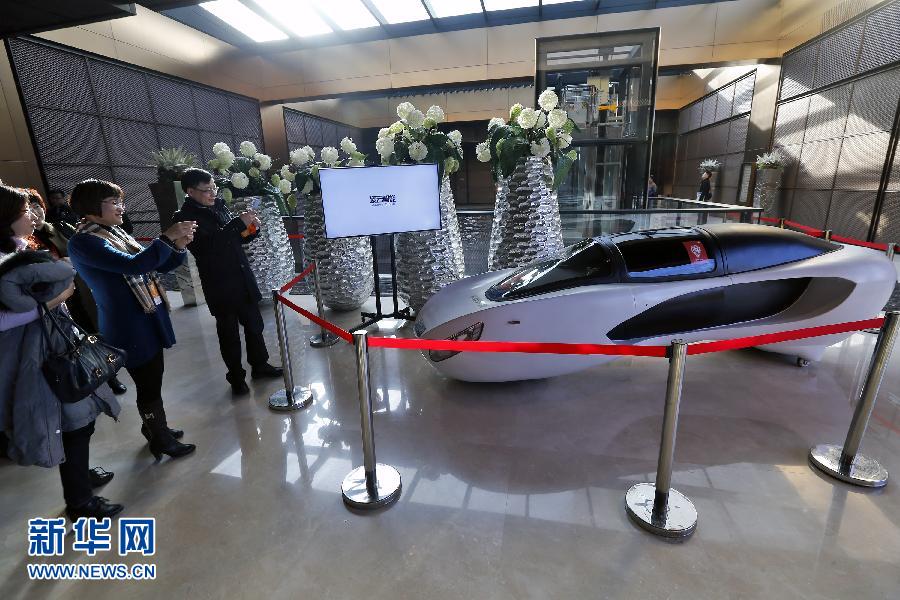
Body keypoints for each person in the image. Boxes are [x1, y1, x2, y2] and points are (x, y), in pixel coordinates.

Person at [0, 184, 123, 520]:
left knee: (79, 418)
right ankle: (80, 502)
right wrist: (57, 299)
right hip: (32, 357)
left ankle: (79, 476)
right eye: (24, 211)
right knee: (73, 424)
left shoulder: (22, 248)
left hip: (53, 346)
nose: (33, 215)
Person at [67, 179, 198, 460]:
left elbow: (154, 264)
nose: (121, 208)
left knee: (154, 377)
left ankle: (155, 428)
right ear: (91, 206)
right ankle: (160, 438)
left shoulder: (113, 233)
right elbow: (135, 265)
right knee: (148, 382)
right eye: (114, 202)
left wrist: (178, 245)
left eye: (120, 201)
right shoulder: (83, 242)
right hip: (128, 323)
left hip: (146, 314)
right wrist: (166, 238)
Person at [172, 168, 283, 395]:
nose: (213, 193)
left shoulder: (219, 206)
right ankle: (236, 378)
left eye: (214, 188)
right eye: (207, 190)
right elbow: (207, 249)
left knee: (255, 326)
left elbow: (236, 239)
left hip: (241, 276)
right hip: (219, 283)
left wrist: (251, 229)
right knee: (229, 334)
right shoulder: (184, 218)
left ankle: (260, 365)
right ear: (190, 191)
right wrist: (237, 223)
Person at [25, 189, 129, 395]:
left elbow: (85, 252)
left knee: (93, 332)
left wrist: (70, 261)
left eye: (37, 206)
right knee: (72, 339)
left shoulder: (61, 227)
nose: (35, 213)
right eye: (29, 209)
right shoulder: (25, 241)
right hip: (57, 298)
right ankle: (86, 378)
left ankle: (108, 374)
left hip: (81, 289)